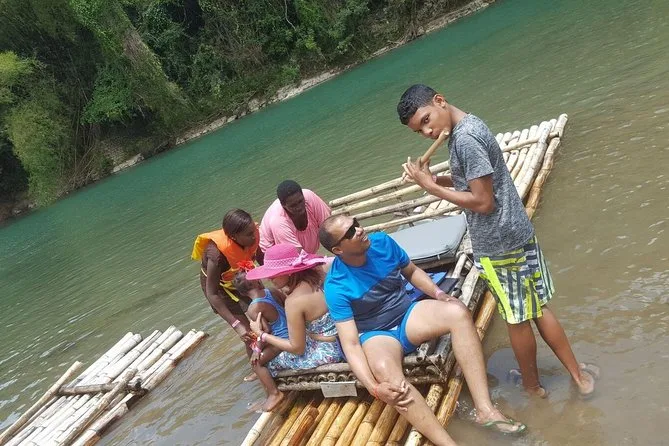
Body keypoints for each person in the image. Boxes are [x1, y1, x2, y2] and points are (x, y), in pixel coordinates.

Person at [397, 84, 599, 398]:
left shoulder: (465, 139)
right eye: (419, 131)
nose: (427, 132)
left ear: (440, 101)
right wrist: (435, 180)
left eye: (426, 120)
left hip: (499, 244)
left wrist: (432, 189)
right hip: (516, 231)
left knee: (518, 319)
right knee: (538, 308)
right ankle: (578, 375)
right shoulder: (469, 126)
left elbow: (482, 202)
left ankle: (532, 388)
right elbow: (475, 180)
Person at [319, 215, 526, 445]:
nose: (358, 230)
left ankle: (485, 410)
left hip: (407, 314)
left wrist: (439, 293)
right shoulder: (336, 286)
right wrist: (374, 388)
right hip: (377, 334)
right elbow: (351, 344)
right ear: (338, 250)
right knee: (389, 377)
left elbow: (411, 271)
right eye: (349, 233)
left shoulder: (382, 243)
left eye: (356, 223)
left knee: (458, 313)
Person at [245, 244, 344, 408]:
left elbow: (297, 348)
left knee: (265, 362)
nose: (270, 279)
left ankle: (274, 395)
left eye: (274, 275)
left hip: (327, 351)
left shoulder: (294, 301)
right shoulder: (317, 277)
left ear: (289, 272)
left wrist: (261, 334)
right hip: (339, 338)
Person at [191, 208, 263, 381]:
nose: (254, 237)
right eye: (249, 234)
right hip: (219, 289)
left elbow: (262, 260)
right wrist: (236, 325)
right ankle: (258, 370)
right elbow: (212, 293)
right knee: (248, 333)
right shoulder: (216, 255)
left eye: (253, 231)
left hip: (240, 275)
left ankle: (271, 355)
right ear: (233, 237)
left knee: (263, 314)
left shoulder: (253, 236)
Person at [232, 271, 288, 411]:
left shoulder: (253, 308)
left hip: (282, 340)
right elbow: (286, 304)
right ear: (257, 281)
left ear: (242, 293)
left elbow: (265, 331)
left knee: (256, 363)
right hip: (294, 331)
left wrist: (257, 350)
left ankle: (274, 394)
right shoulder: (271, 291)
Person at [259, 180, 331, 254]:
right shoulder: (278, 221)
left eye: (300, 201)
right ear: (283, 205)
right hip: (272, 254)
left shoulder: (310, 197)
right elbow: (296, 255)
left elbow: (328, 228)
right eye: (293, 206)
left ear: (303, 196)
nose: (299, 207)